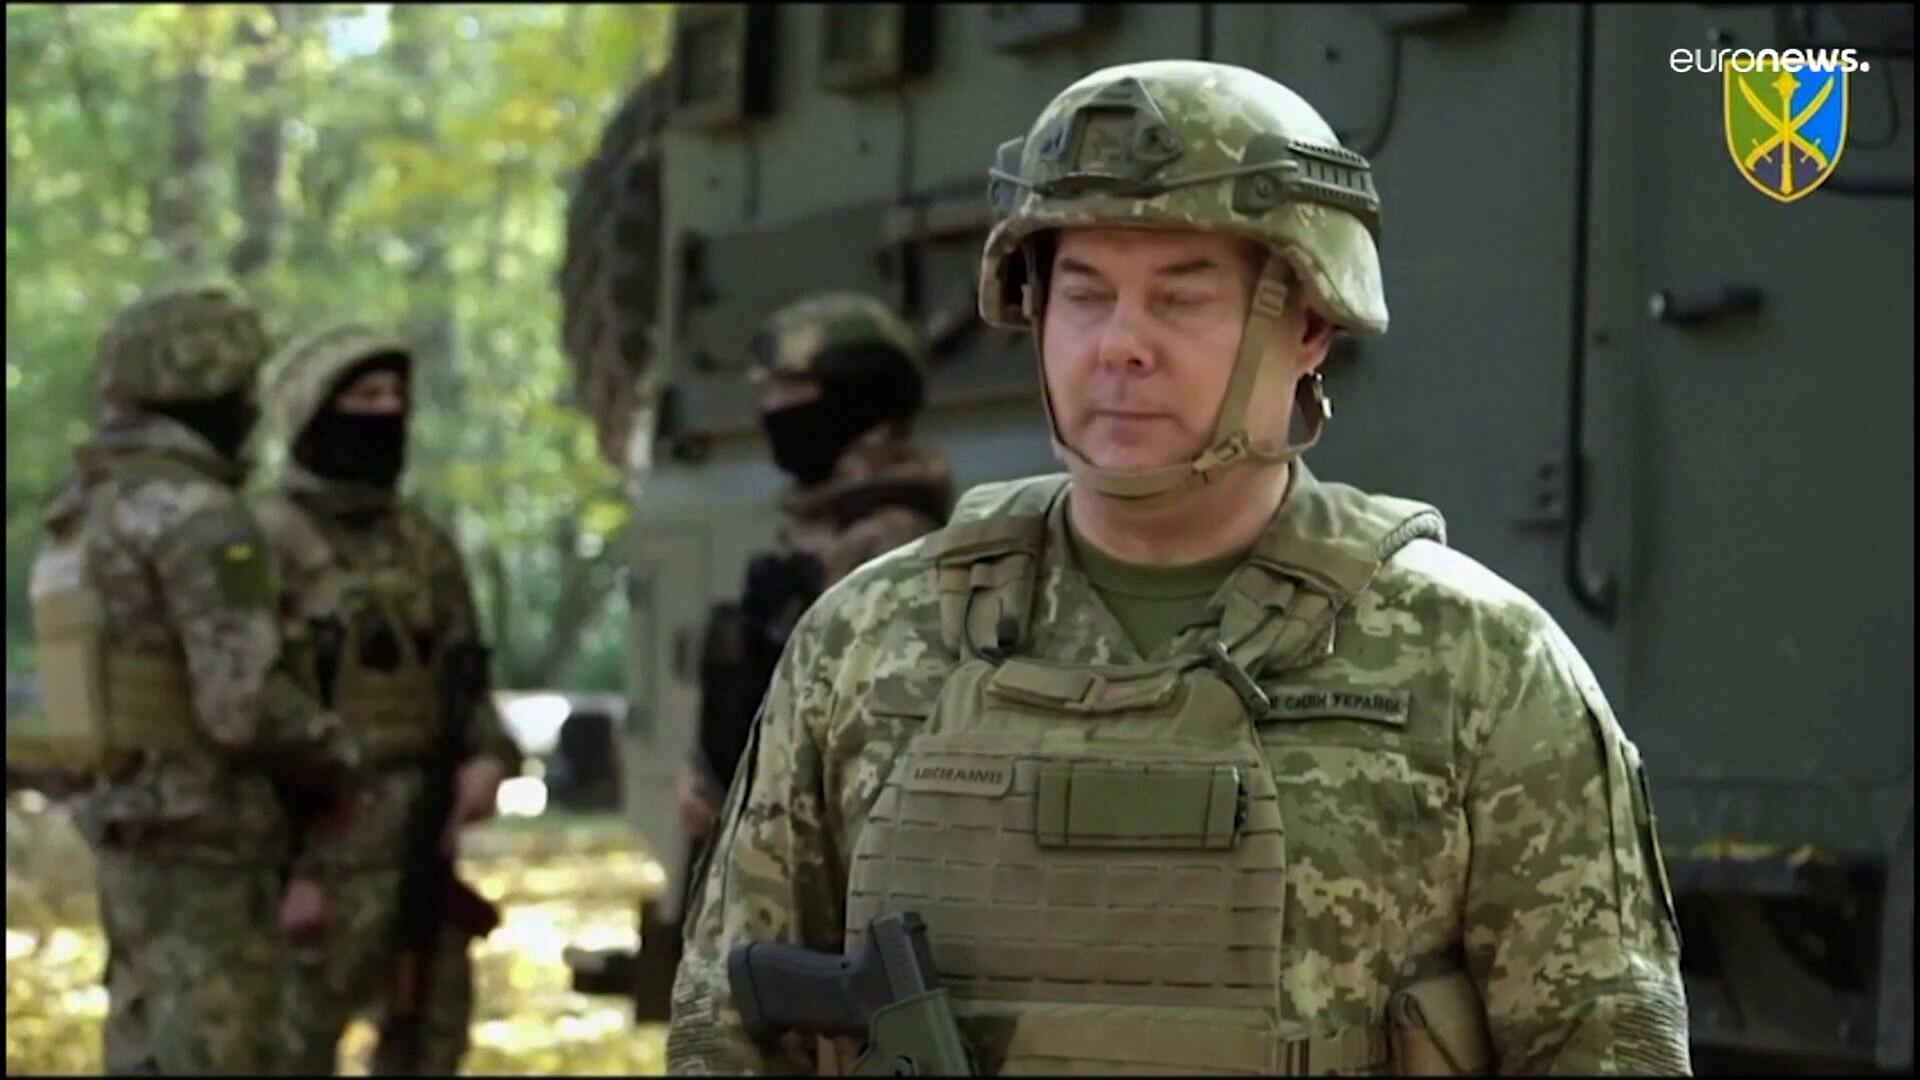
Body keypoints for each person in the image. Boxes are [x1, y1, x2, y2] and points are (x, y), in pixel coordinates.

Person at [665, 61, 1691, 1075]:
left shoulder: (1477, 661)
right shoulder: (867, 639)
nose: (1120, 346)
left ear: (1309, 323)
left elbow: (1608, 1047)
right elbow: (725, 1030)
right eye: (1084, 295)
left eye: (1181, 298)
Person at [25, 284, 363, 1074]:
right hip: (210, 845)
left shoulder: (88, 510)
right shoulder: (198, 514)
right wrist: (337, 756)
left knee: (144, 1049)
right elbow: (240, 703)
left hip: (126, 827)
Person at [252, 323, 522, 1075]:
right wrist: (288, 872)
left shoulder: (423, 544)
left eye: (397, 396)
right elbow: (242, 707)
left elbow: (467, 680)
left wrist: (490, 760)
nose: (388, 411)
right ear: (313, 411)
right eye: (365, 395)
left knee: (429, 1044)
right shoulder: (261, 540)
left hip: (421, 844)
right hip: (310, 853)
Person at [672, 293, 954, 876]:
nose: (771, 408)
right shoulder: (812, 528)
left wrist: (749, 812)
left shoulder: (893, 545)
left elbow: (874, 756)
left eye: (793, 387)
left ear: (863, 394)